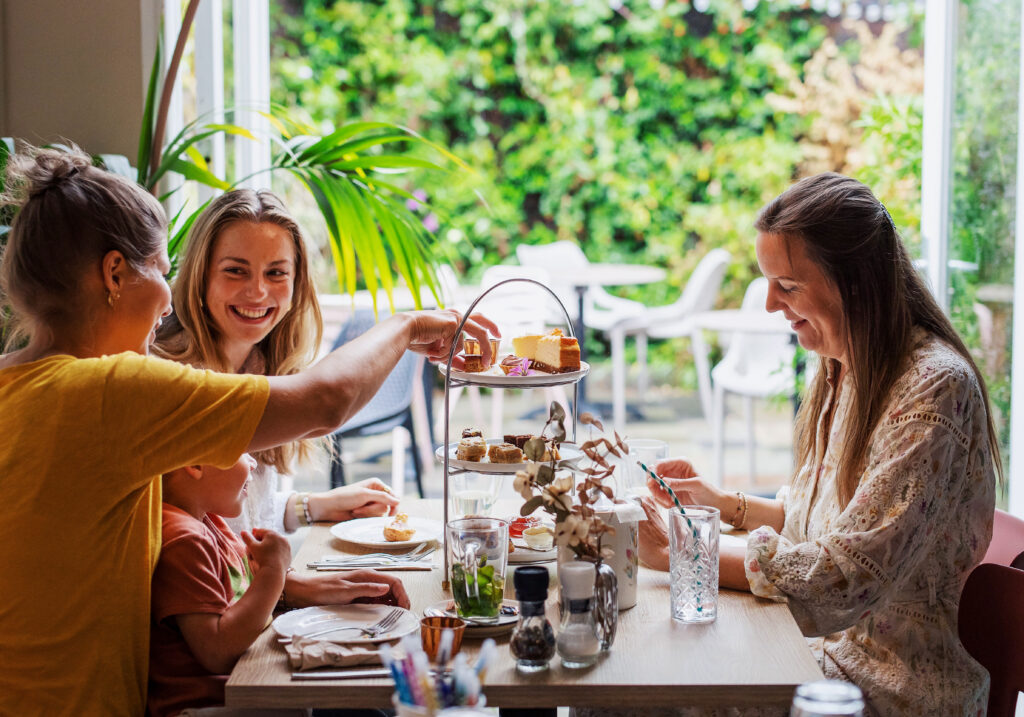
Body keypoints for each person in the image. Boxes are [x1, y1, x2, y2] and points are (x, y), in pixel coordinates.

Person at [0, 145, 495, 716]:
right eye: (162, 273)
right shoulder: (111, 391)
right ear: (115, 273)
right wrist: (410, 325)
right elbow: (325, 401)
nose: (167, 305)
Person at [638, 173, 999, 717]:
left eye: (788, 284)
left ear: (855, 280)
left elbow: (842, 579)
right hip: (822, 657)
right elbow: (817, 521)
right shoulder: (843, 368)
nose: (768, 305)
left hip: (892, 692)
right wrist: (719, 503)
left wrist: (685, 555)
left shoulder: (933, 390)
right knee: (651, 672)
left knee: (646, 699)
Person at [154, 189, 408, 608]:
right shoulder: (174, 381)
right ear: (200, 277)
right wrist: (291, 588)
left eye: (276, 273)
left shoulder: (260, 364)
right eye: (236, 271)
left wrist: (308, 506)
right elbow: (191, 552)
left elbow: (239, 511)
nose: (257, 291)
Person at [148, 454, 299, 717]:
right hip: (204, 706)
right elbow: (217, 652)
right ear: (195, 464)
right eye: (241, 451)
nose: (253, 462)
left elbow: (246, 595)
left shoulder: (208, 521)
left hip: (240, 686)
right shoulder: (184, 539)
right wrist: (273, 572)